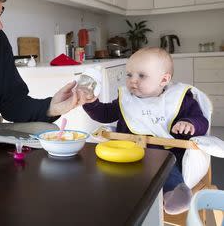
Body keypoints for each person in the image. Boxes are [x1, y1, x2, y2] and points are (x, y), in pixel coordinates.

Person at [78, 47, 209, 215]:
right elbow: (105, 114)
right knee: (107, 169)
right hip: (127, 154)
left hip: (163, 157)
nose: (133, 80)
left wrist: (188, 123)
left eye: (141, 75)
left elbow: (201, 121)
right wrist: (90, 103)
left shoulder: (178, 100)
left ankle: (175, 192)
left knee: (168, 170)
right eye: (129, 75)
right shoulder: (127, 99)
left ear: (164, 79)